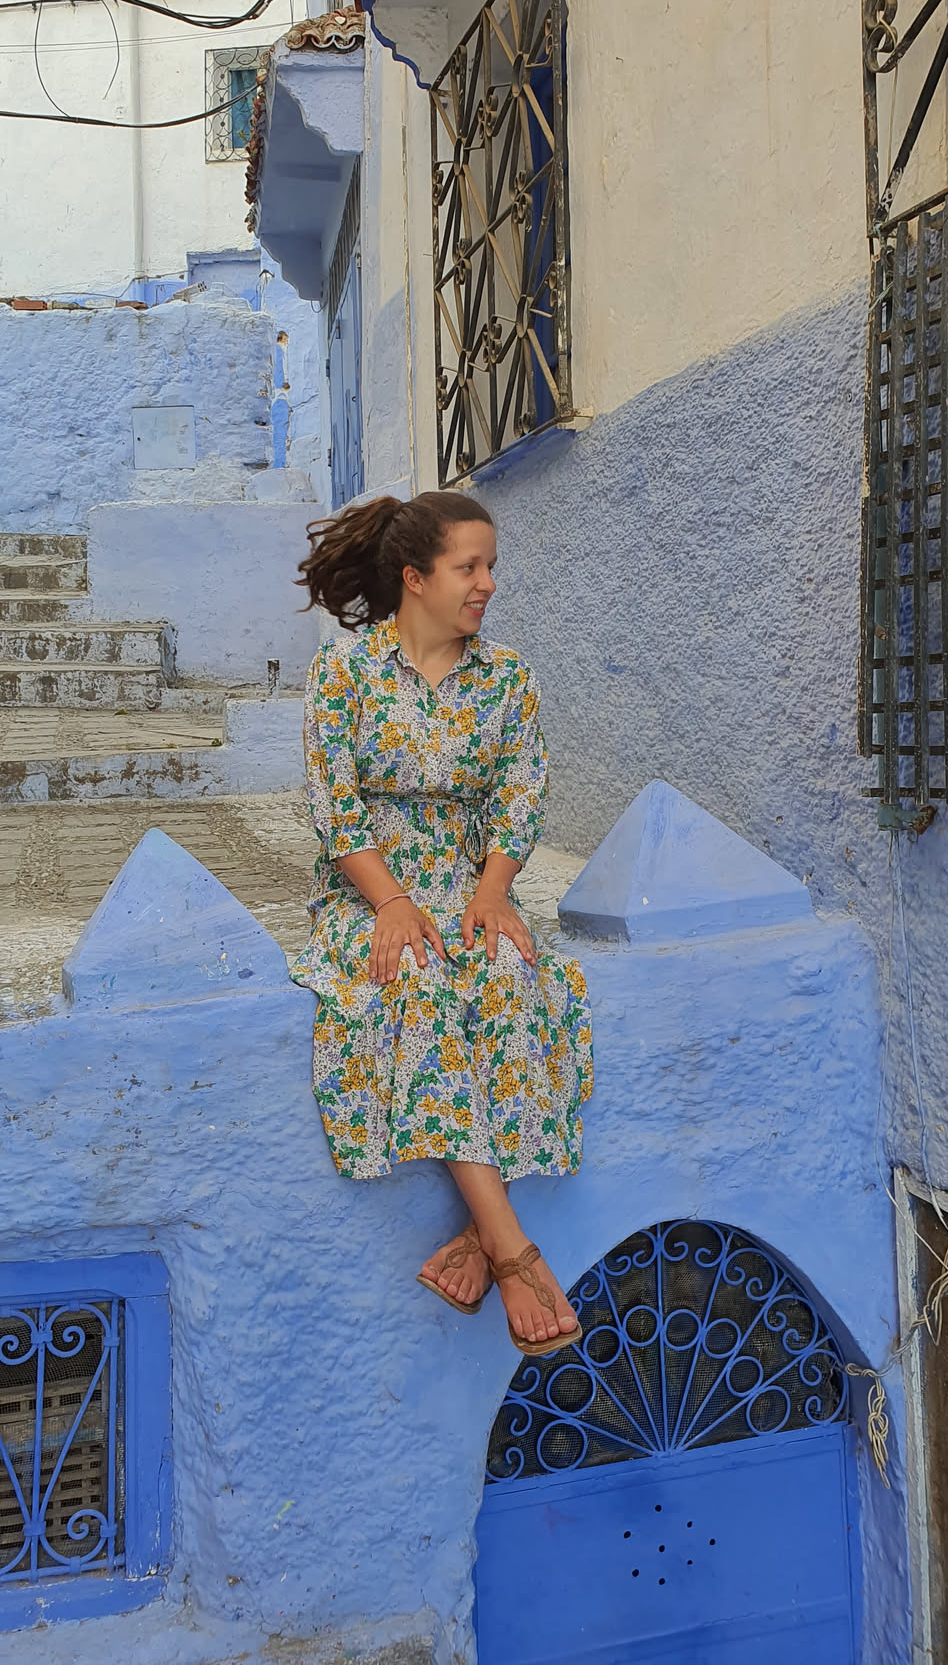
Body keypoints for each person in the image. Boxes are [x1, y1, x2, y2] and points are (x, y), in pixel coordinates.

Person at [292, 490, 593, 1356]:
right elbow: (334, 805)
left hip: (468, 886)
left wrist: (493, 895)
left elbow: (519, 795)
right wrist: (391, 903)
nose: (488, 583)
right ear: (416, 578)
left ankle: (480, 1237)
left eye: (491, 566)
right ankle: (515, 1253)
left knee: (511, 981)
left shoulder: (508, 678)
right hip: (368, 892)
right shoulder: (344, 672)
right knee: (416, 984)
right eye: (470, 567)